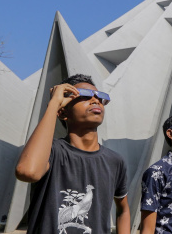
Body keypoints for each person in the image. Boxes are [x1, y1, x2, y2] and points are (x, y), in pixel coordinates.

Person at [15, 74, 130, 234]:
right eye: (85, 95)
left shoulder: (115, 161)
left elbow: (123, 210)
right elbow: (28, 172)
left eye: (99, 97)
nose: (95, 100)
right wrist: (53, 104)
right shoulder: (50, 151)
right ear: (63, 112)